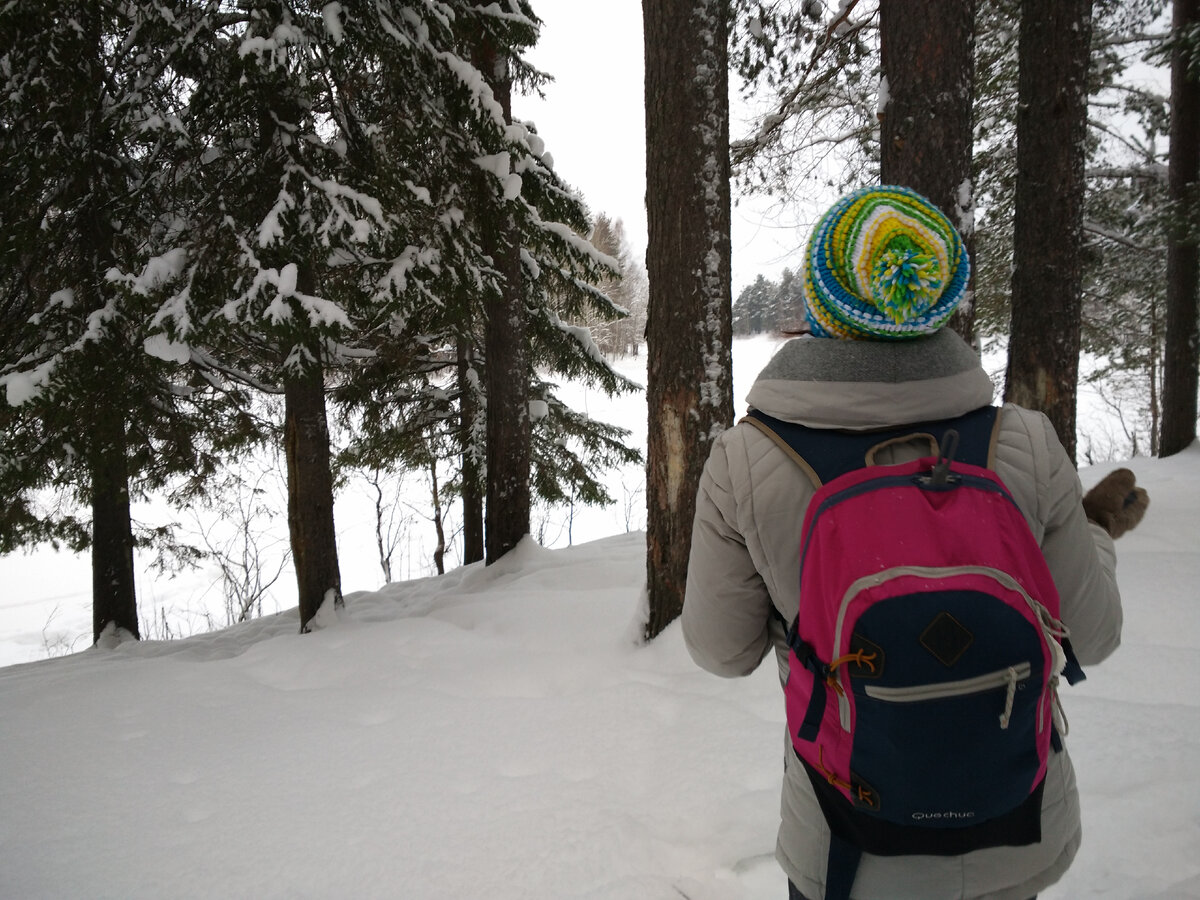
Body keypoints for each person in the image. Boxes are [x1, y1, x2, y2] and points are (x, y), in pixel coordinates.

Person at [681, 185, 1148, 900]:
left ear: (821, 306)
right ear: (939, 305)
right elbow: (1095, 634)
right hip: (1015, 830)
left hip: (845, 841)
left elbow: (721, 651)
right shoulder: (1021, 440)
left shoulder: (748, 460)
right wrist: (1094, 531)